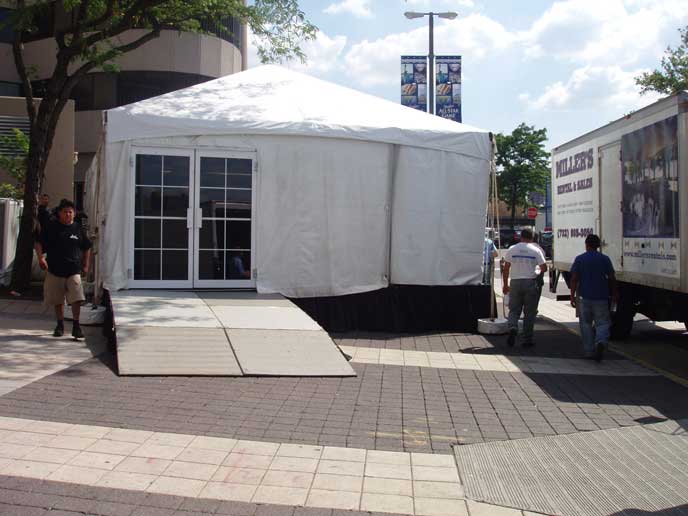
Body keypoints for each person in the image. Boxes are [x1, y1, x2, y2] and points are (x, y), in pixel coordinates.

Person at [34, 199, 92, 339]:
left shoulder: (78, 228)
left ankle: (76, 326)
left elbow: (87, 247)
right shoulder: (51, 227)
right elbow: (38, 242)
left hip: (74, 270)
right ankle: (60, 325)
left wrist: (85, 265)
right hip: (55, 270)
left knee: (77, 298)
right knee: (58, 300)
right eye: (65, 212)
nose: (68, 214)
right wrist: (41, 258)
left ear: (74, 214)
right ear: (59, 213)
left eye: (70, 212)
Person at [569, 234, 618, 361]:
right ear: (598, 246)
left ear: (586, 245)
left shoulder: (580, 259)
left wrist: (572, 295)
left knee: (585, 324)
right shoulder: (605, 259)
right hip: (601, 297)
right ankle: (600, 341)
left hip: (584, 297)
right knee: (602, 322)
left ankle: (589, 351)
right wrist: (614, 293)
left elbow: (574, 279)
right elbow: (612, 278)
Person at [502, 227, 547, 347]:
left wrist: (505, 285)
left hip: (515, 282)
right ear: (532, 238)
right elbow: (544, 268)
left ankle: (512, 327)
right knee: (529, 313)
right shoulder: (536, 250)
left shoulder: (512, 249)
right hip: (530, 282)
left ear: (520, 237)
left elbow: (506, 268)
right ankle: (527, 339)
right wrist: (536, 272)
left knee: (514, 309)